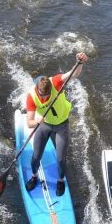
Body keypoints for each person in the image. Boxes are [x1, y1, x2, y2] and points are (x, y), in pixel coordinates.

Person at [23, 52, 88, 197]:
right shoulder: (31, 96)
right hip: (44, 125)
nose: (45, 98)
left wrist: (80, 62)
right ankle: (34, 176)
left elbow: (73, 73)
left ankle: (60, 180)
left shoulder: (56, 82)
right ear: (37, 89)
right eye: (43, 95)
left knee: (60, 159)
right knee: (36, 156)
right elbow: (29, 123)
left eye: (48, 95)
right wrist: (37, 122)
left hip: (61, 125)